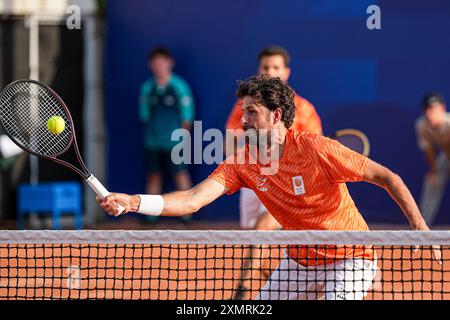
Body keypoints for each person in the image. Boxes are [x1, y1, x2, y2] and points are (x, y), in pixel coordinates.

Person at [99, 75, 440, 300]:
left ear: (277, 116)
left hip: (351, 258)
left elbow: (388, 178)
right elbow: (191, 199)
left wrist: (419, 226)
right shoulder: (242, 161)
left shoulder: (318, 148)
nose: (244, 119)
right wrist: (133, 202)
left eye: (252, 112)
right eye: (243, 111)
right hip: (299, 260)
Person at [226, 46, 322, 231]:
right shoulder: (245, 106)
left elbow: (313, 151)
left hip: (285, 181)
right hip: (252, 179)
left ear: (286, 72)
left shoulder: (304, 109)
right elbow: (230, 143)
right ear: (259, 70)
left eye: (276, 68)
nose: (270, 72)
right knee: (250, 236)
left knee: (263, 229)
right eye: (266, 67)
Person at [139, 47, 195, 220]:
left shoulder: (178, 86)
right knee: (154, 175)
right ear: (151, 65)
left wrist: (182, 138)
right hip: (153, 142)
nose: (159, 65)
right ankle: (150, 216)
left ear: (170, 63)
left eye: (163, 61)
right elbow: (145, 116)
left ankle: (187, 215)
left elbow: (187, 115)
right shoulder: (148, 88)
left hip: (174, 143)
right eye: (156, 62)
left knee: (180, 174)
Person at [415, 92, 450, 226]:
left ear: (442, 109)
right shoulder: (421, 125)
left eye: (433, 109)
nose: (430, 113)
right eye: (427, 109)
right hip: (446, 157)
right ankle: (422, 228)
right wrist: (433, 171)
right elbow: (428, 150)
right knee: (431, 182)